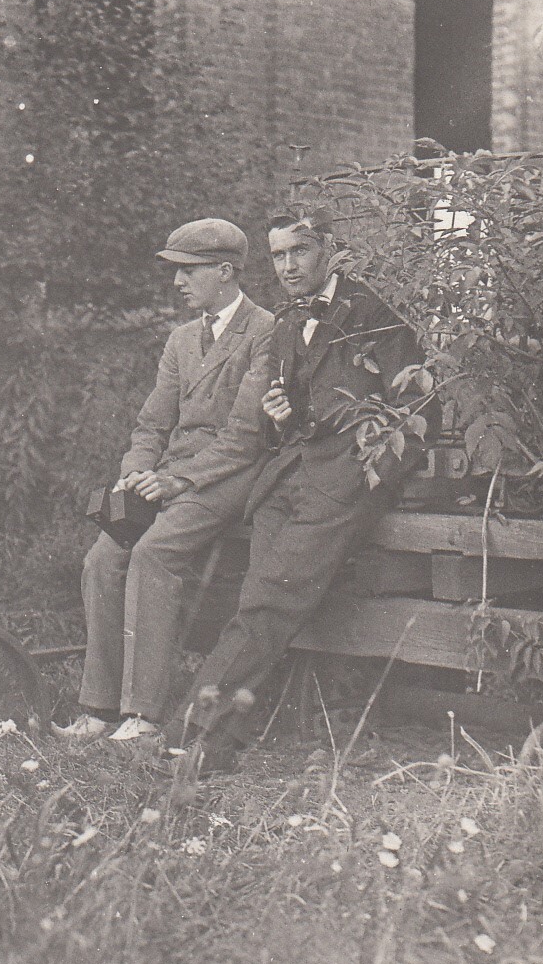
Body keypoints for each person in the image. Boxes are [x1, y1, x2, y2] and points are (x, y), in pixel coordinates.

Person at [160, 204, 440, 774]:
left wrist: (369, 480)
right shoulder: (288, 321)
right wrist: (279, 414)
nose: (288, 266)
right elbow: (291, 418)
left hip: (340, 485)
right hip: (287, 478)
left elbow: (416, 411)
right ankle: (218, 744)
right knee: (258, 603)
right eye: (279, 255)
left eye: (300, 252)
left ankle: (187, 737)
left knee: (268, 604)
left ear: (330, 251)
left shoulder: (375, 316)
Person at [54, 218, 275, 745]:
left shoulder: (265, 330)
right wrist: (134, 474)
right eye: (174, 270)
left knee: (153, 553)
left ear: (225, 272)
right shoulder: (181, 339)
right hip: (170, 473)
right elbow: (152, 422)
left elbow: (246, 435)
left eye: (188, 270)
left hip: (226, 477)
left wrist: (179, 481)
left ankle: (144, 717)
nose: (177, 282)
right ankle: (99, 709)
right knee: (102, 559)